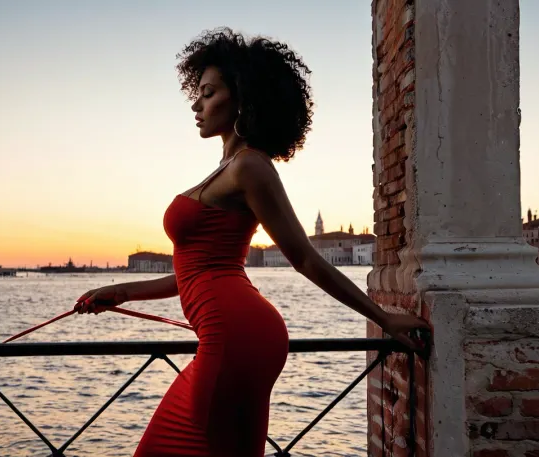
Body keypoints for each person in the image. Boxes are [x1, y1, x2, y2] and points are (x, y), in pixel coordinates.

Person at [75, 27, 430, 457]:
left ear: (241, 98)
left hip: (234, 336)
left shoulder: (250, 168)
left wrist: (382, 318)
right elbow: (200, 270)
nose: (196, 104)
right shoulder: (227, 168)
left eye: (207, 92)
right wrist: (121, 291)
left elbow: (304, 258)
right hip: (228, 335)